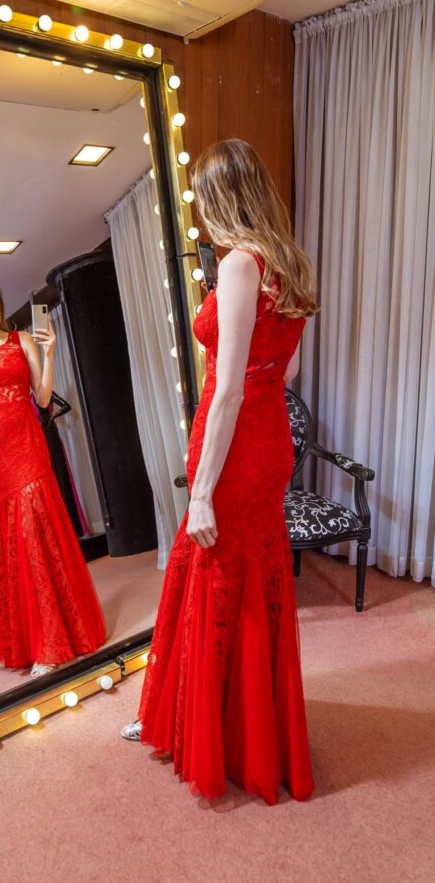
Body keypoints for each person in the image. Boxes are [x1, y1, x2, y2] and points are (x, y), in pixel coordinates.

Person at [121, 139, 318, 804]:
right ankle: (244, 729)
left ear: (220, 197)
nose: (199, 213)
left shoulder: (239, 265)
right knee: (247, 575)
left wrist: (200, 490)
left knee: (213, 571)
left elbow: (227, 388)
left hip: (235, 445)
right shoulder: (288, 263)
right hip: (269, 440)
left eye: (202, 199)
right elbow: (283, 371)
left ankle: (210, 733)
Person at [0, 275, 106, 677]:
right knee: (11, 545)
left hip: (26, 445)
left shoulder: (21, 341)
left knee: (37, 532)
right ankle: (32, 643)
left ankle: (55, 639)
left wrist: (49, 354)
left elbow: (41, 398)